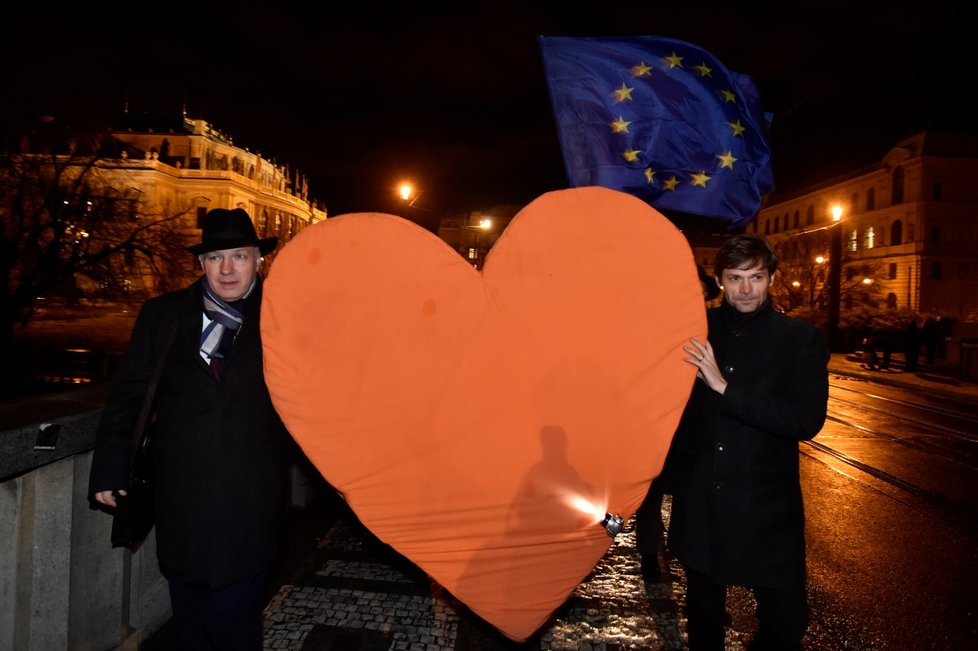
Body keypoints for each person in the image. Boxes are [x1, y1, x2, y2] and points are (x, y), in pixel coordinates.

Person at [88, 207, 291, 650]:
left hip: (252, 497)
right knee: (191, 612)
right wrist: (108, 468)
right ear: (200, 264)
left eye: (238, 256)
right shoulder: (163, 316)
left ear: (258, 260)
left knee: (233, 617)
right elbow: (128, 396)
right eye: (216, 258)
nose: (227, 269)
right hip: (181, 495)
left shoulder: (285, 317)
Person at [667, 234, 829, 650]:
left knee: (785, 621)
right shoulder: (693, 330)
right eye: (734, 277)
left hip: (765, 507)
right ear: (720, 280)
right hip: (701, 499)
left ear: (771, 278)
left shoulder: (799, 339)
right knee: (703, 620)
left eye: (755, 277)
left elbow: (805, 419)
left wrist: (725, 388)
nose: (744, 289)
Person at [635, 263, 720, 581]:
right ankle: (648, 557)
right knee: (650, 497)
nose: (695, 298)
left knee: (693, 501)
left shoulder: (714, 329)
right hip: (657, 427)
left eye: (701, 293)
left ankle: (693, 566)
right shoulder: (657, 326)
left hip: (695, 429)